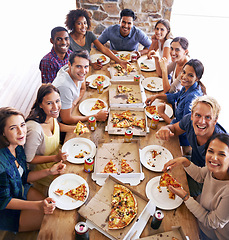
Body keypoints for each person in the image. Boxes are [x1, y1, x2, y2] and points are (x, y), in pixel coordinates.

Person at [0, 107, 66, 232]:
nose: (21, 132)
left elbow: (23, 177)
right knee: (52, 219)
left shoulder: (18, 147)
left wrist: (49, 171)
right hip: (7, 210)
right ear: (3, 132)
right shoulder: (1, 164)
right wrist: (38, 205)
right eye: (13, 128)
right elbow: (4, 200)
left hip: (21, 189)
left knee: (55, 205)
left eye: (22, 125)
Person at [156, 95, 227, 196]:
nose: (201, 121)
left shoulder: (220, 144)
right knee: (160, 170)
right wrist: (166, 128)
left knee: (167, 192)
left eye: (208, 117)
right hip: (191, 162)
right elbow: (174, 129)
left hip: (206, 180)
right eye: (198, 115)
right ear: (192, 115)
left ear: (215, 120)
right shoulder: (189, 121)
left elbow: (212, 179)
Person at [162, 133, 229, 240]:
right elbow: (200, 175)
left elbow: (210, 222)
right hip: (197, 212)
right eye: (210, 151)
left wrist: (185, 196)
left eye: (222, 154)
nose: (214, 158)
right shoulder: (213, 168)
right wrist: (184, 161)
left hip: (208, 234)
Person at [146, 59, 206, 155]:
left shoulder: (192, 98)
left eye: (190, 75)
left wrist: (162, 114)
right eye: (184, 72)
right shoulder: (188, 87)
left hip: (182, 138)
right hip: (176, 126)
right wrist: (156, 96)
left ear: (197, 78)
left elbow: (182, 127)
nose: (184, 77)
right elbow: (174, 96)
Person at [24, 84, 77, 186]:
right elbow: (29, 159)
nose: (56, 107)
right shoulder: (35, 130)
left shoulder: (50, 114)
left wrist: (74, 129)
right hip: (45, 172)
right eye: (49, 103)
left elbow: (57, 126)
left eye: (57, 101)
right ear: (40, 104)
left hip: (60, 158)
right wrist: (55, 158)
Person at [53, 50, 108, 125]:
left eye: (86, 66)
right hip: (59, 123)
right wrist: (95, 116)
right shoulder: (65, 87)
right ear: (69, 65)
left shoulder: (77, 74)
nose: (83, 71)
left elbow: (83, 88)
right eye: (78, 66)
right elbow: (66, 119)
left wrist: (74, 102)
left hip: (71, 111)